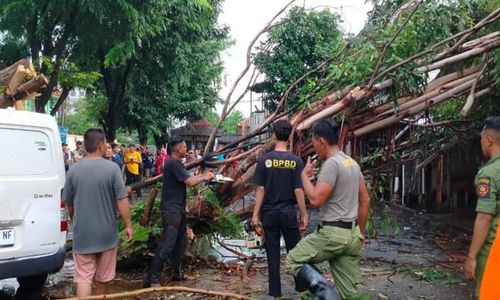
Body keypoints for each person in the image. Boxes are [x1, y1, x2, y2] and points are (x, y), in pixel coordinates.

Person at [286, 120, 371, 300]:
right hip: (351, 236)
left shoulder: (332, 164)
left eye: (314, 143)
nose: (314, 148)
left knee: (293, 259)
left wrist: (303, 175)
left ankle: (326, 294)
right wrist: (360, 233)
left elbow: (316, 200)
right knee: (350, 294)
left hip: (332, 235)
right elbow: (365, 200)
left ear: (321, 141)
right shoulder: (352, 163)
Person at [63, 128, 133, 297]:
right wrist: (128, 224)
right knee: (103, 277)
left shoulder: (73, 170)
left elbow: (69, 204)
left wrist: (75, 220)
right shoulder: (112, 169)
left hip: (83, 234)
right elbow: (122, 200)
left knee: (83, 277)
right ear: (101, 144)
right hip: (107, 234)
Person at [144, 138, 214, 287]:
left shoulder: (176, 163)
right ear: (177, 149)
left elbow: (189, 178)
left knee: (181, 243)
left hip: (179, 208)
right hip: (171, 210)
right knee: (167, 244)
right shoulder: (172, 163)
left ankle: (177, 273)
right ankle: (153, 277)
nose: (186, 148)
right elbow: (190, 182)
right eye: (184, 146)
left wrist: (203, 176)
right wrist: (204, 177)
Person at [251, 119, 308, 298]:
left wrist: (255, 215)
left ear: (274, 135)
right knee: (296, 253)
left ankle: (276, 293)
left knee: (273, 255)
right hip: (288, 213)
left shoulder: (264, 160)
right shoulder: (296, 161)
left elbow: (261, 189)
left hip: (269, 214)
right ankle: (301, 288)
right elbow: (298, 190)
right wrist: (304, 214)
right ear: (289, 134)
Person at [464, 116, 500, 299]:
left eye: (481, 139)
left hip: (495, 251)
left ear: (489, 140)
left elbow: (485, 217)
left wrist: (471, 257)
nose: (480, 144)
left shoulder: (489, 173)